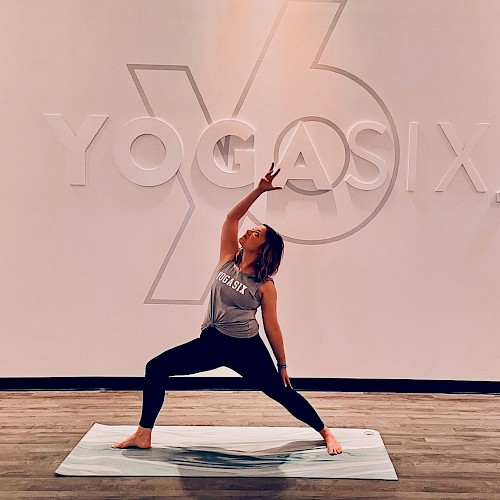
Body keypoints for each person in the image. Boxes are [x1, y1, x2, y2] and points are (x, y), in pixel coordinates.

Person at [112, 164, 342, 455]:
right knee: (155, 368)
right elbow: (232, 217)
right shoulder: (227, 258)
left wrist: (282, 365)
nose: (248, 231)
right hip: (211, 343)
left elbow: (272, 326)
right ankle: (143, 434)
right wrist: (259, 190)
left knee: (281, 393)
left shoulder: (264, 285)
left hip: (246, 348)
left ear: (263, 247)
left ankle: (325, 432)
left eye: (256, 233)